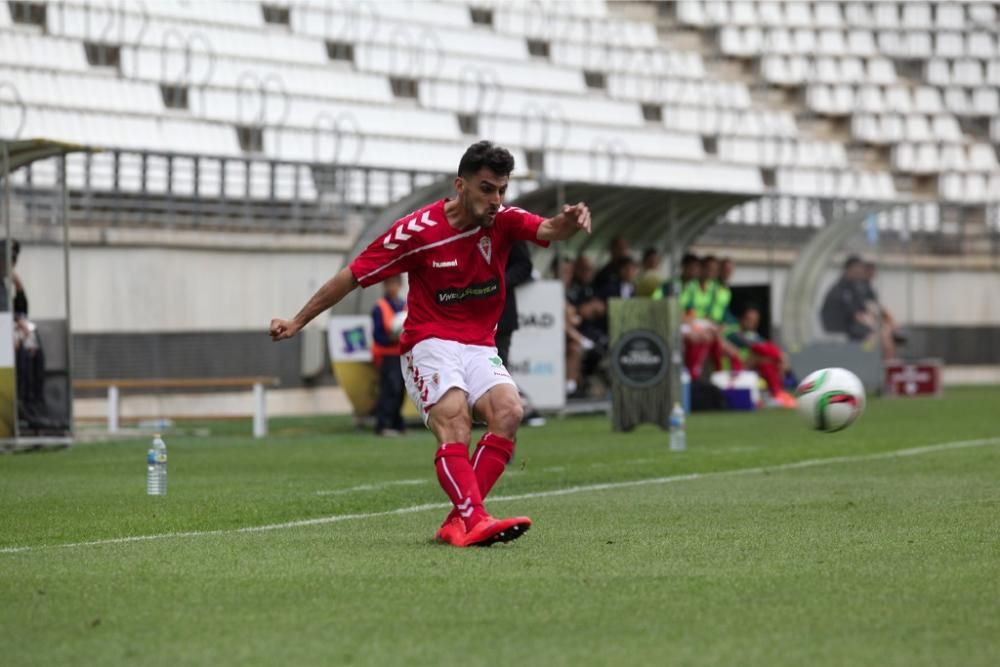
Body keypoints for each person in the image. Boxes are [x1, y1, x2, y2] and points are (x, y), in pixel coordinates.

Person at [270, 141, 591, 548]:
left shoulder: (503, 221)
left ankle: (461, 521)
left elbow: (548, 229)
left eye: (502, 190)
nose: (496, 200)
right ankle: (473, 519)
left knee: (510, 411)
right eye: (487, 188)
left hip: (478, 343)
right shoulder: (416, 232)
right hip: (429, 341)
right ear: (461, 185)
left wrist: (571, 219)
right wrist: (298, 321)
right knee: (455, 420)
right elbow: (352, 275)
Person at [495, 240, 545, 427]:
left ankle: (517, 413)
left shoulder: (508, 223)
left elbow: (524, 266)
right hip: (464, 319)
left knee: (498, 373)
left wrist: (498, 283)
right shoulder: (460, 223)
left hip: (500, 319)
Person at [727, 306, 797, 408]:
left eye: (755, 321)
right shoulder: (734, 333)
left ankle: (777, 395)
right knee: (763, 354)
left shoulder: (753, 335)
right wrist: (780, 356)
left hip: (750, 368)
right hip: (735, 370)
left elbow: (765, 345)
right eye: (749, 320)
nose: (752, 323)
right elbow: (758, 346)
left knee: (767, 362)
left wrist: (778, 358)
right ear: (741, 319)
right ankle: (776, 394)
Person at [371, 275, 406, 437]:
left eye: (394, 284)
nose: (391, 287)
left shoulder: (405, 307)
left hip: (403, 355)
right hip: (387, 355)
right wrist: (391, 338)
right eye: (388, 284)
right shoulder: (380, 307)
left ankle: (397, 424)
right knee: (389, 389)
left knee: (401, 390)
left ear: (400, 285)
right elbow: (377, 335)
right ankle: (383, 425)